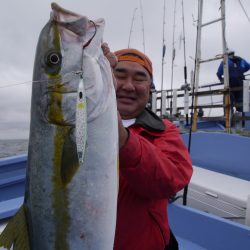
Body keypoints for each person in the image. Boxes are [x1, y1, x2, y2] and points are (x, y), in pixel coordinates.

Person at [102, 45, 193, 250]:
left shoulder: (163, 130)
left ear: (150, 87)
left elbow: (173, 179)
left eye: (140, 78)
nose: (128, 86)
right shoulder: (78, 125)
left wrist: (125, 141)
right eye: (119, 75)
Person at [216, 51, 250, 123]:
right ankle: (243, 122)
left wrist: (221, 79)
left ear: (227, 55)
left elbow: (219, 73)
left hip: (230, 85)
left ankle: (229, 122)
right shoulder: (241, 60)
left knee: (228, 104)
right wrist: (241, 72)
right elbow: (248, 67)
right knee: (242, 103)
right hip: (241, 84)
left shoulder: (225, 61)